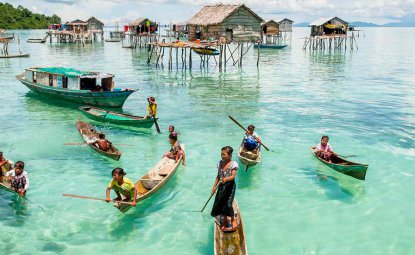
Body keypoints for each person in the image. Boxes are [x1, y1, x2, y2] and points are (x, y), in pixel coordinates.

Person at [211, 146, 238, 231]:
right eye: (221, 154)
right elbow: (218, 176)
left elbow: (233, 176)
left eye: (224, 154)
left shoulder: (233, 164)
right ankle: (225, 221)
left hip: (230, 186)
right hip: (221, 186)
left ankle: (233, 219)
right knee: (222, 203)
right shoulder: (220, 163)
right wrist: (214, 187)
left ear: (230, 155)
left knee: (228, 204)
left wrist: (225, 179)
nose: (222, 156)